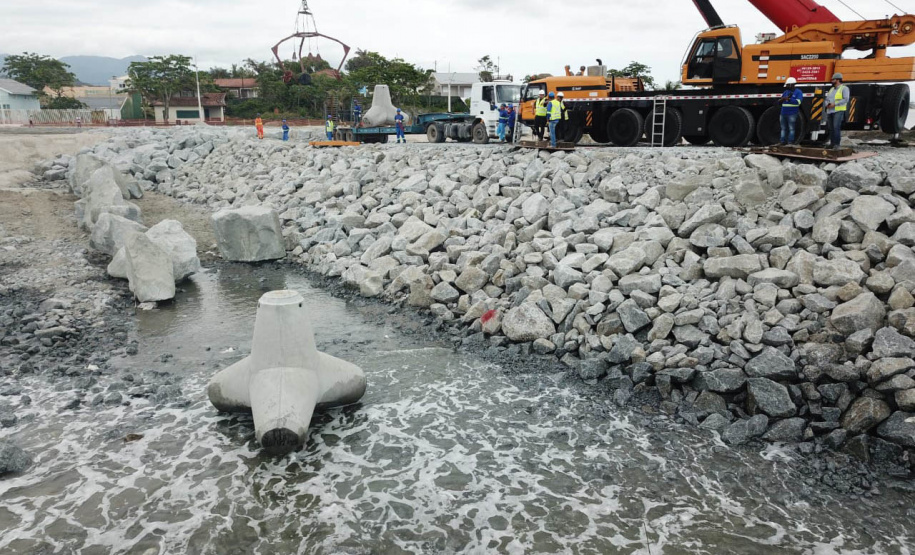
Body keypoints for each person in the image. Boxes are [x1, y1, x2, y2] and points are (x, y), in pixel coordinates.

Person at [826, 73, 850, 149]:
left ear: (838, 80)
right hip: (830, 111)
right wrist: (827, 104)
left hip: (838, 111)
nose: (832, 81)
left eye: (833, 79)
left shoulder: (844, 88)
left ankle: (837, 144)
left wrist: (835, 104)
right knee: (831, 128)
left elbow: (846, 99)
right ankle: (832, 143)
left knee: (836, 127)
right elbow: (827, 98)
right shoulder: (831, 89)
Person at [778, 77, 803, 145]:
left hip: (792, 113)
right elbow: (780, 101)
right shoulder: (786, 92)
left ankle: (790, 142)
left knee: (791, 128)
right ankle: (782, 141)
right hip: (783, 113)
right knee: (783, 128)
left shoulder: (798, 92)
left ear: (792, 84)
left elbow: (798, 102)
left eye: (788, 85)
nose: (786, 86)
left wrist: (789, 99)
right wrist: (781, 100)